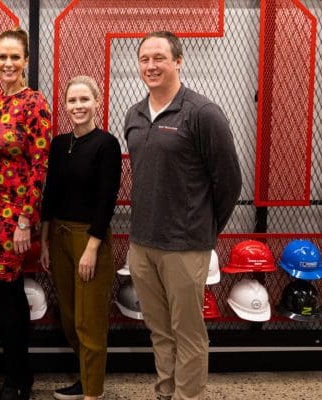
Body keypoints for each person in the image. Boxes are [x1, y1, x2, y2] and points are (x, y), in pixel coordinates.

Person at [124, 31, 242, 400]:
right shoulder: (135, 114)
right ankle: (165, 392)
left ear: (178, 61)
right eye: (145, 59)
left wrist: (203, 232)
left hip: (186, 247)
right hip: (142, 246)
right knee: (159, 331)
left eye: (159, 57)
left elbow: (229, 183)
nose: (151, 65)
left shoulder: (202, 113)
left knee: (188, 334)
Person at [0, 28, 51, 400]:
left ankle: (17, 382)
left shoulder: (35, 103)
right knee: (3, 292)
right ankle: (19, 376)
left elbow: (40, 167)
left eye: (14, 57)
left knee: (4, 291)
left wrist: (25, 221)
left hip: (15, 215)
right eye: (1, 57)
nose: (8, 63)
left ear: (25, 61)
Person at [39, 76, 121, 400]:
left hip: (90, 240)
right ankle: (84, 379)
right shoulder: (59, 144)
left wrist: (91, 248)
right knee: (71, 318)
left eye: (84, 100)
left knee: (90, 322)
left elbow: (107, 199)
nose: (78, 107)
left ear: (97, 102)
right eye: (72, 101)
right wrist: (45, 240)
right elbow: (51, 195)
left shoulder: (107, 144)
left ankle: (93, 393)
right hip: (59, 237)